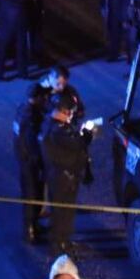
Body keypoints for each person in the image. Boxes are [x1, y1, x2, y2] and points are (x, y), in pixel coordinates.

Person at [40, 95, 93, 254]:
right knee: (63, 212)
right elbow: (77, 143)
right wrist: (86, 135)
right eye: (69, 112)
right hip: (63, 177)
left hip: (61, 175)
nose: (71, 115)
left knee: (63, 212)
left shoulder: (52, 125)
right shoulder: (58, 130)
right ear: (62, 111)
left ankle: (63, 241)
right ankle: (60, 245)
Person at [14, 83, 48, 243]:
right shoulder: (31, 117)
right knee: (32, 196)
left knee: (32, 195)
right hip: (30, 163)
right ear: (38, 98)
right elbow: (32, 143)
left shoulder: (21, 109)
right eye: (43, 97)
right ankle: (30, 231)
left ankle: (34, 224)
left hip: (23, 160)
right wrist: (40, 163)